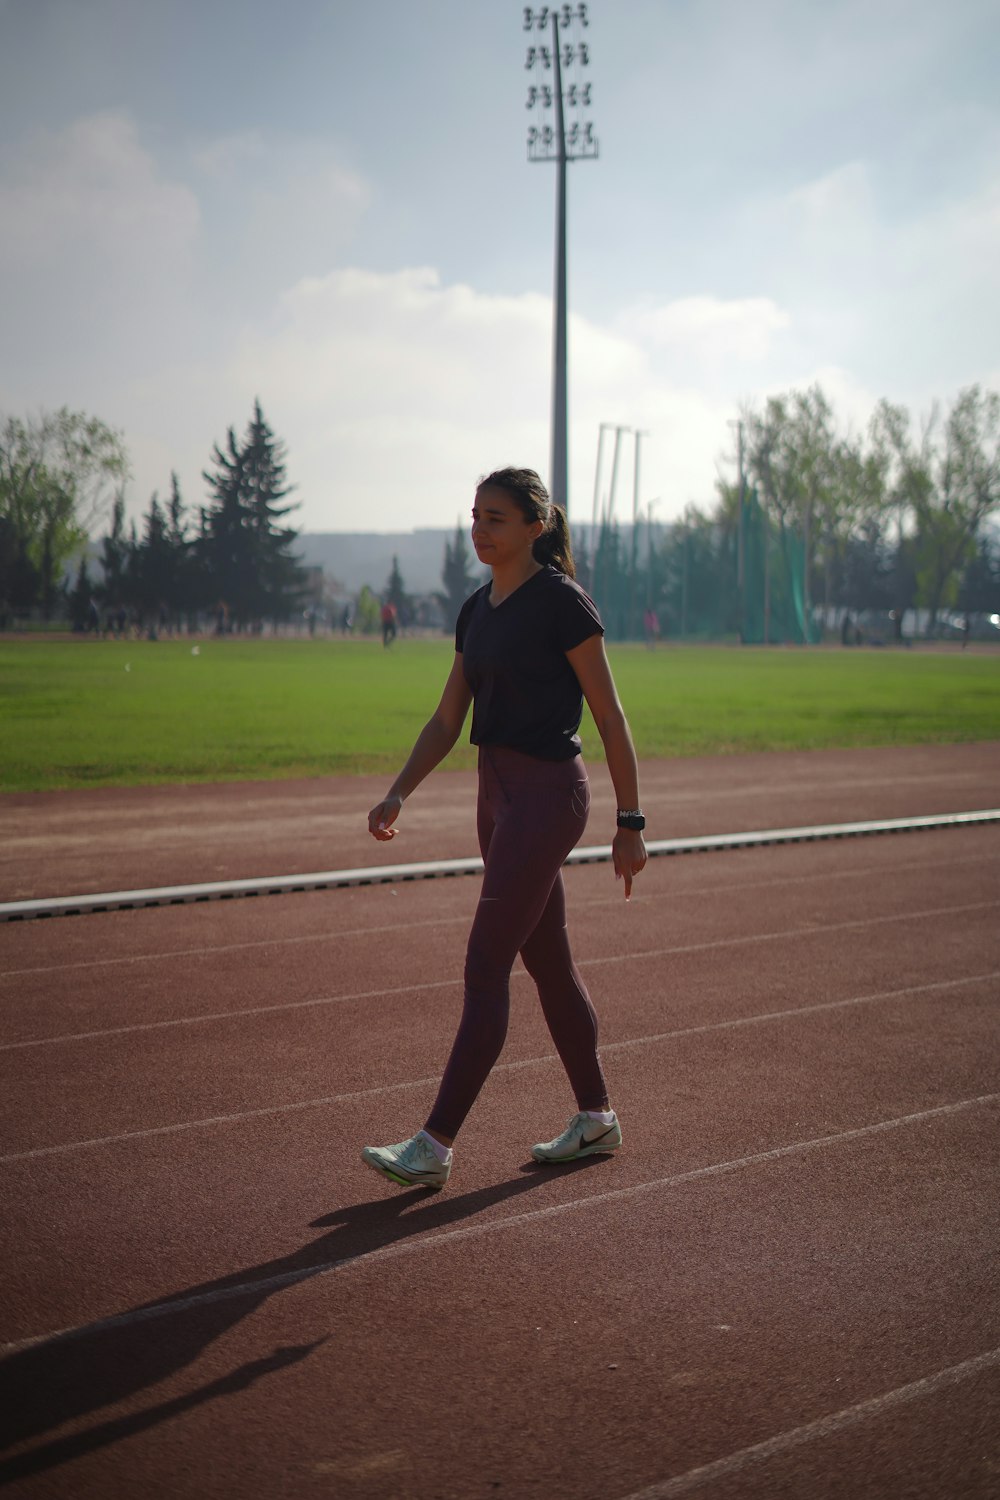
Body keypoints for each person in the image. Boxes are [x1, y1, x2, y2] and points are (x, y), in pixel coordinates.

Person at [362, 466, 647, 1190]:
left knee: (486, 964)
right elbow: (447, 718)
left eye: (495, 518)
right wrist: (399, 792)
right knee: (547, 963)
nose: (480, 529)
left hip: (550, 796)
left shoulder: (563, 604)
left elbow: (611, 717)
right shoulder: (476, 608)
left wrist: (630, 823)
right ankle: (596, 1118)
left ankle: (434, 1144)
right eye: (475, 516)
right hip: (496, 798)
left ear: (536, 526)